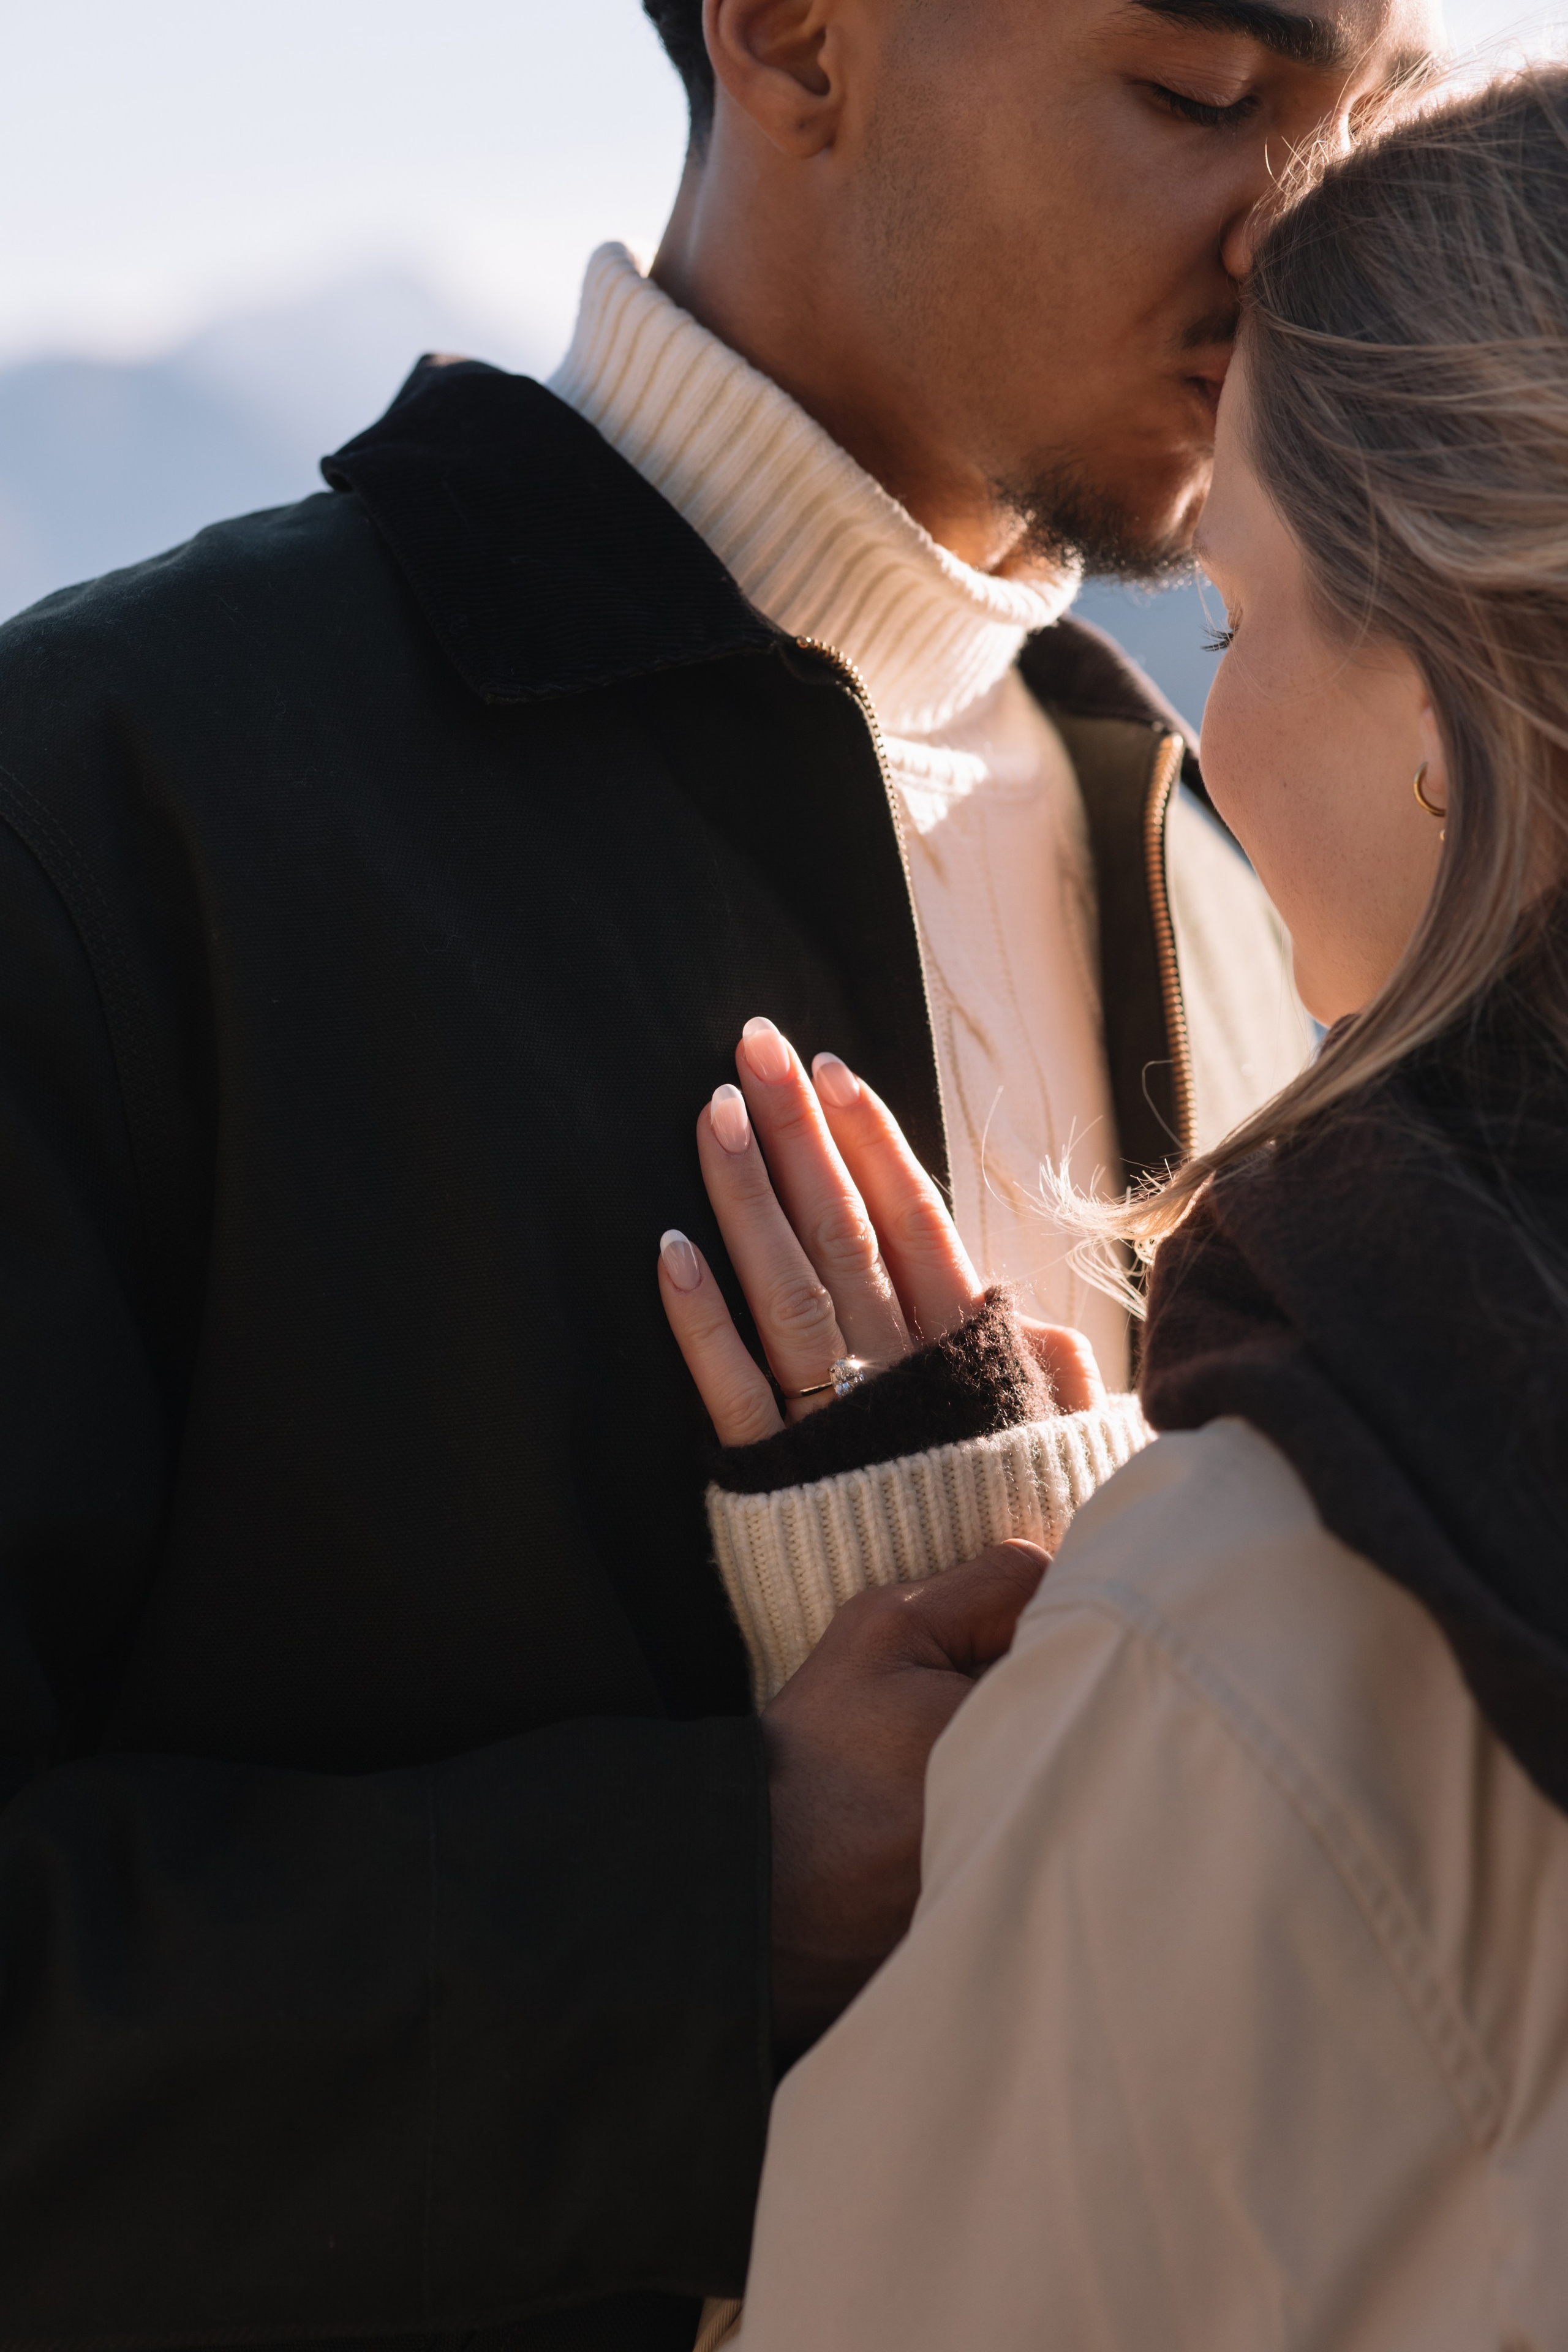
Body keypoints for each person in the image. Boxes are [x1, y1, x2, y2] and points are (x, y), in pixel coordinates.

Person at [0, 2, 1427, 2348]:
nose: (1304, 229)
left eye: (1355, 113)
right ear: (792, 35)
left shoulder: (1245, 867)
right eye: (1201, 93)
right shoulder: (129, 807)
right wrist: (710, 1902)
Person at [658, 67, 1568, 2348]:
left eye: (1242, 626)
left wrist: (1076, 1659)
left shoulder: (1282, 1614)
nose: (1204, 742)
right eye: (1183, 87)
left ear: (1459, 691)